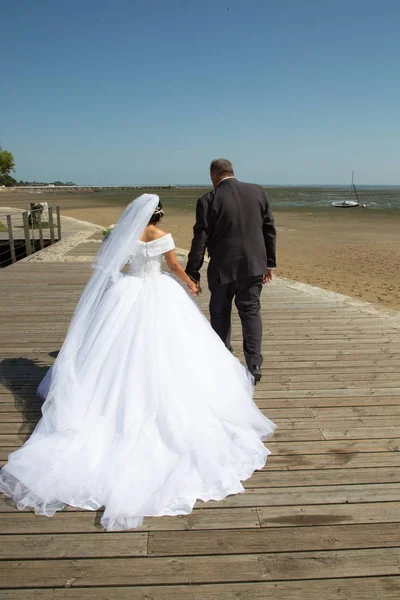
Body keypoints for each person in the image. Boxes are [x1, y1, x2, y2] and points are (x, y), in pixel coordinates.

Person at [0, 194, 275, 531]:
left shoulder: (122, 236)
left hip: (127, 293)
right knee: (173, 352)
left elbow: (112, 269)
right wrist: (189, 282)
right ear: (158, 217)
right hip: (159, 292)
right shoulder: (162, 237)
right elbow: (173, 266)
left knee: (113, 352)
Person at [186, 159, 277, 382]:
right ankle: (254, 364)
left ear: (214, 176)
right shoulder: (257, 192)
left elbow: (201, 238)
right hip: (253, 266)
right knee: (250, 312)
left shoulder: (208, 199)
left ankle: (223, 359)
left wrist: (193, 271)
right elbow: (269, 229)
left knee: (220, 313)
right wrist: (269, 263)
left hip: (222, 268)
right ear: (231, 172)